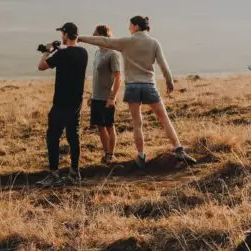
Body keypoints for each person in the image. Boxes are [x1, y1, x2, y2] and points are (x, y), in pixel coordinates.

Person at [78, 16, 195, 168]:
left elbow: (104, 41)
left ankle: (141, 156)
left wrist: (81, 38)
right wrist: (169, 81)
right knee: (163, 118)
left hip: (132, 86)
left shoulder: (126, 42)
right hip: (149, 85)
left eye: (130, 25)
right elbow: (163, 64)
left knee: (137, 123)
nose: (128, 28)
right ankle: (179, 150)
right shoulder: (154, 42)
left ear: (136, 27)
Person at [36, 21, 88, 186]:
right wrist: (59, 50)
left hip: (61, 102)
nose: (61, 36)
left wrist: (46, 51)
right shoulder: (83, 53)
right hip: (76, 103)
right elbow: (71, 55)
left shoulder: (61, 55)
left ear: (65, 35)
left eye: (62, 34)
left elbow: (41, 66)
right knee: (74, 137)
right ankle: (74, 172)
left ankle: (54, 174)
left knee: (53, 137)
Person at [89, 24, 122, 163]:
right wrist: (91, 95)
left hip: (107, 98)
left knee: (109, 126)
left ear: (102, 36)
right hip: (96, 96)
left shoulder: (113, 54)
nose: (93, 35)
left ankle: (111, 154)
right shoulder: (97, 53)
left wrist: (112, 97)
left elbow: (118, 78)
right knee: (99, 126)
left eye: (95, 34)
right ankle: (106, 152)